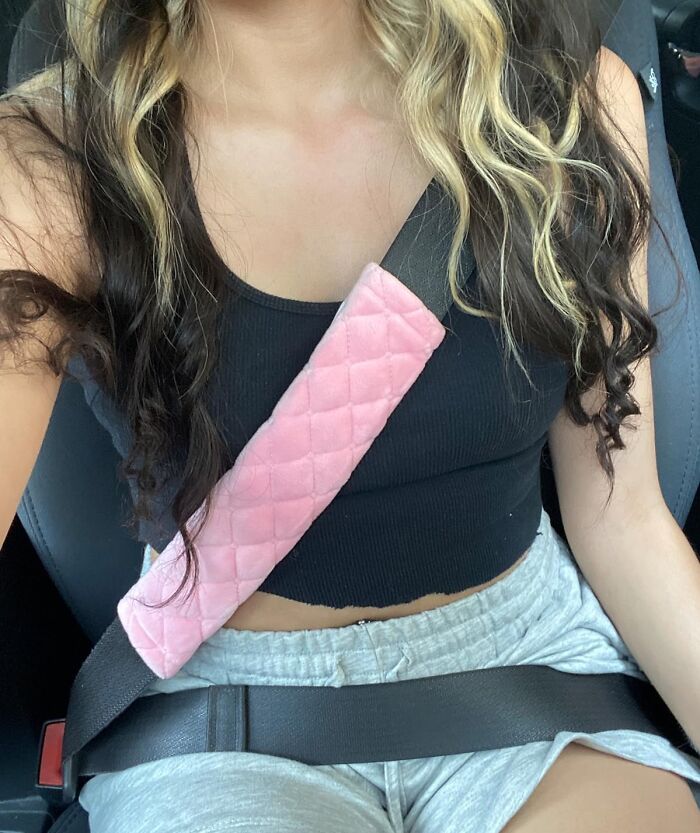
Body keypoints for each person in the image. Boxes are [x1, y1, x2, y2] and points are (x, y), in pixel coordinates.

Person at [1, 0, 700, 831]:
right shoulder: (47, 169)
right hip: (225, 708)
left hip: (533, 667)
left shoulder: (563, 110)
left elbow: (624, 521)